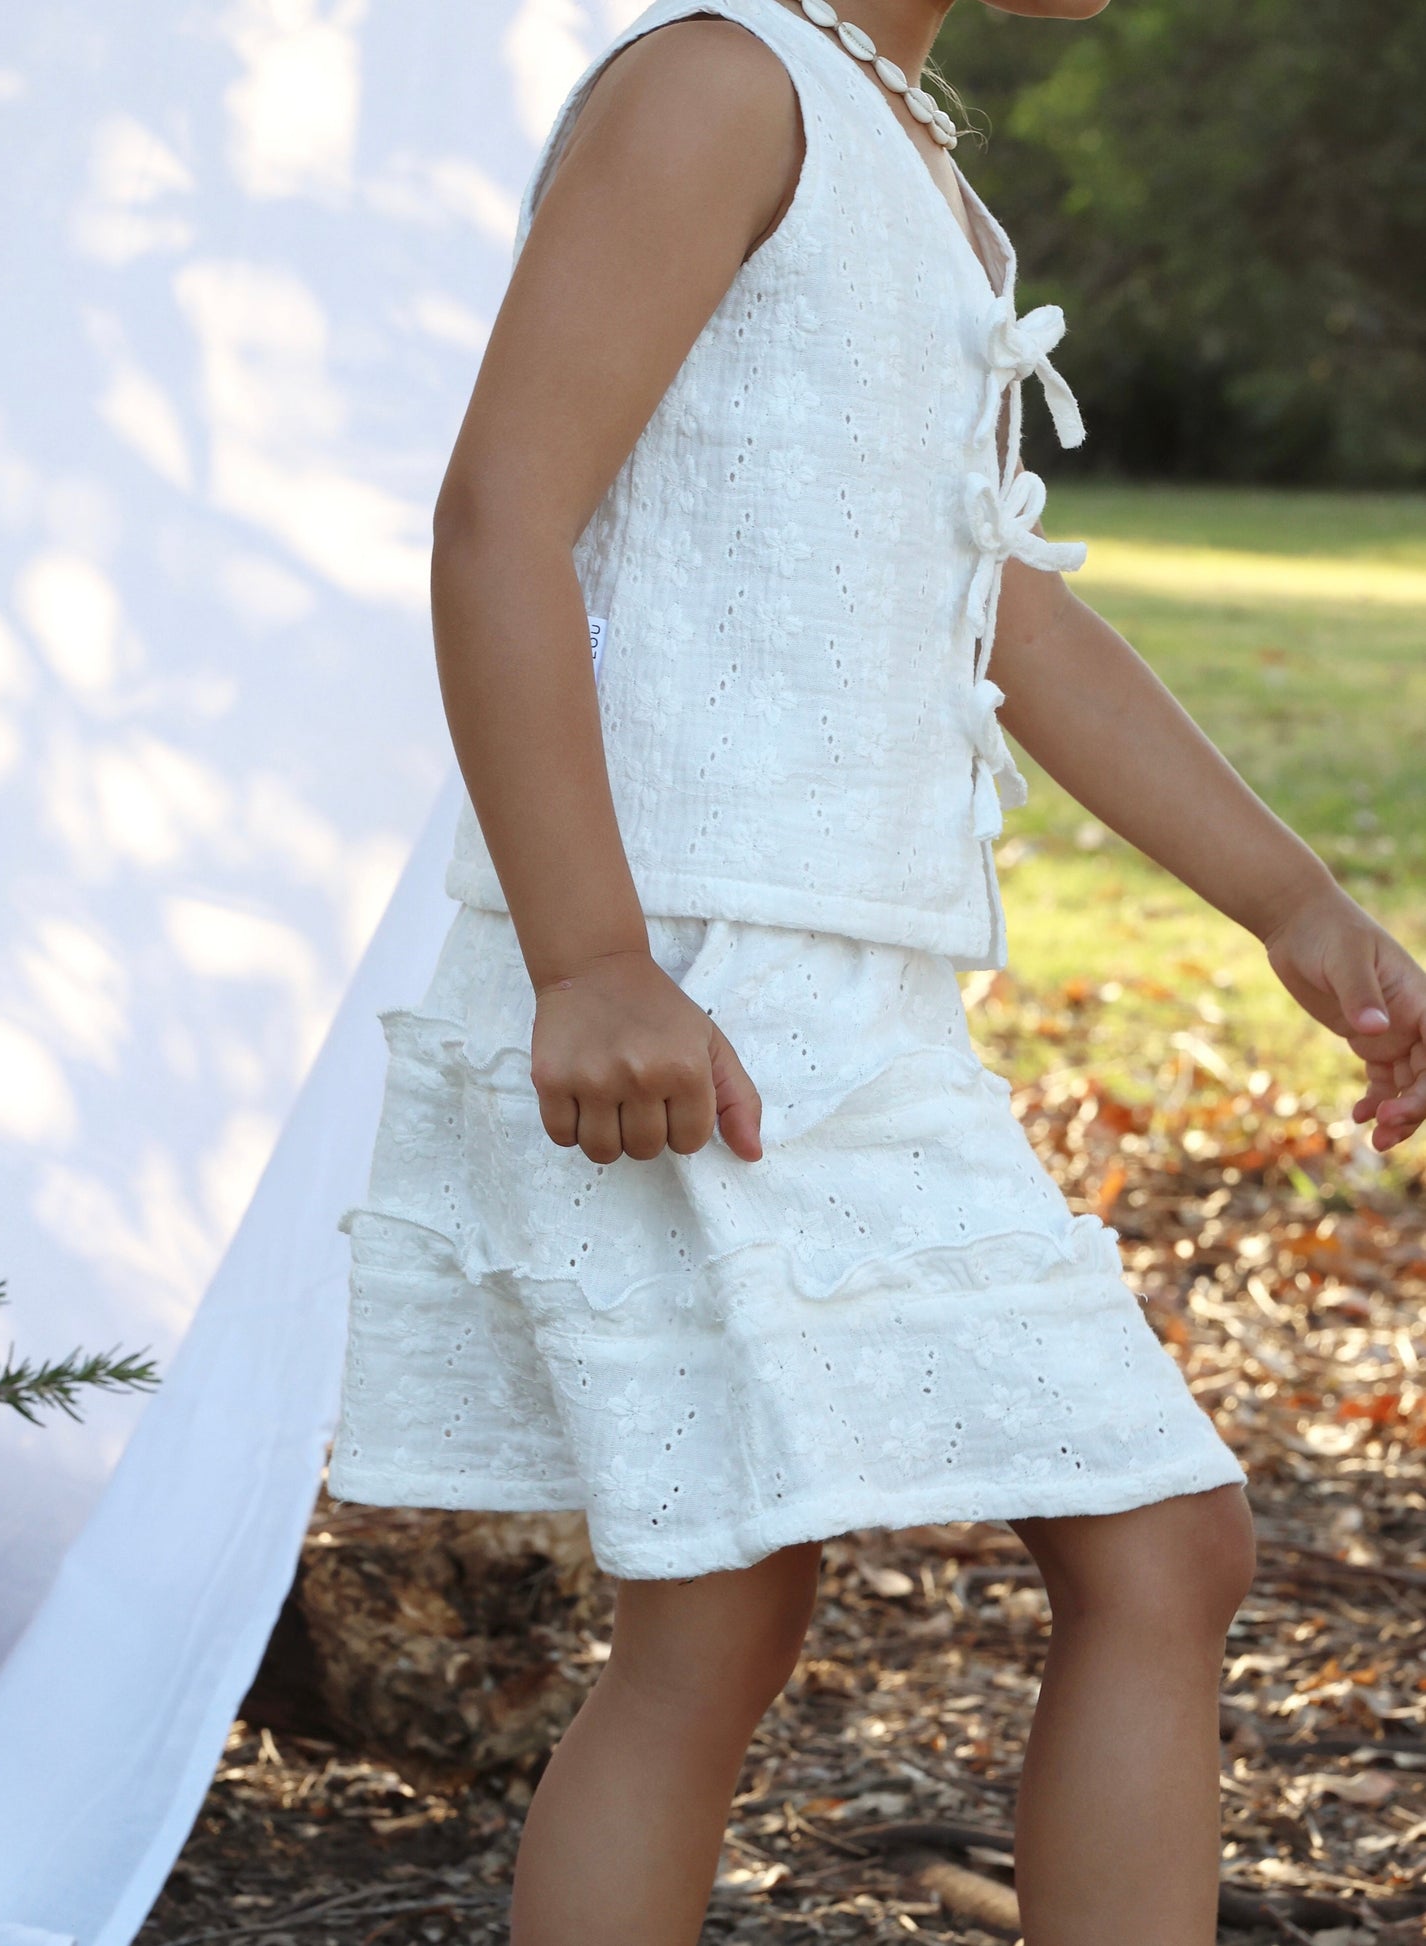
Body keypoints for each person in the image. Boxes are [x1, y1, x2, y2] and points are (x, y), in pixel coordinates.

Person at [327, 2, 1426, 1939]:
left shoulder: (900, 151)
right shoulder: (717, 84)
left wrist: (1292, 901)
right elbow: (500, 512)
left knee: (868, 1589)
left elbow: (993, 600)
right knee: (933, 1575)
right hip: (684, 982)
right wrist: (587, 961)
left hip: (842, 999)